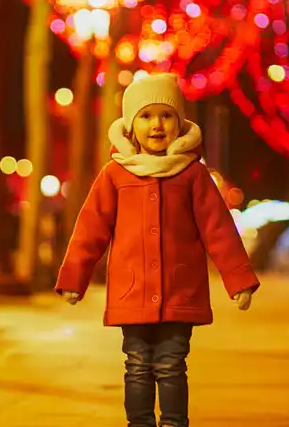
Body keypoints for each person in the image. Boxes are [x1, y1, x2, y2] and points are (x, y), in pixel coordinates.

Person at [55, 73, 260, 427]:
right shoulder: (115, 175)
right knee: (137, 364)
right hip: (132, 290)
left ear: (179, 124)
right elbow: (90, 229)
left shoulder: (192, 174)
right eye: (146, 116)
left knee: (171, 364)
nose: (156, 125)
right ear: (131, 125)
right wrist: (75, 275)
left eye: (166, 116)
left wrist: (238, 279)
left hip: (180, 291)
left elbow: (219, 230)